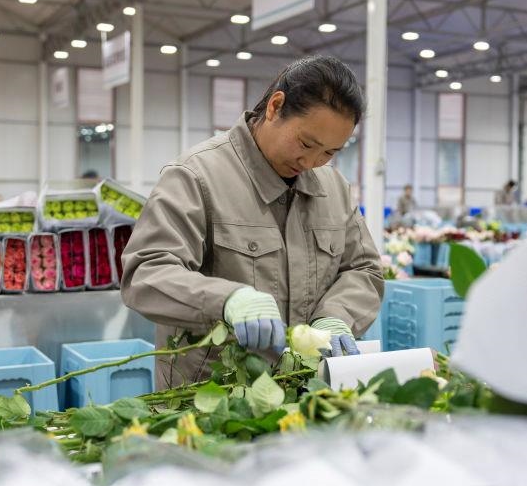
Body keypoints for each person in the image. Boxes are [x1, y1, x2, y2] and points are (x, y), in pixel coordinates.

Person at [121, 55, 382, 389]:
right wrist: (227, 300)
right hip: (211, 398)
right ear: (275, 106)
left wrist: (336, 316)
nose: (312, 161)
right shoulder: (196, 176)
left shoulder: (334, 189)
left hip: (300, 393)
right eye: (306, 143)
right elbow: (146, 271)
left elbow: (364, 269)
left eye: (329, 152)